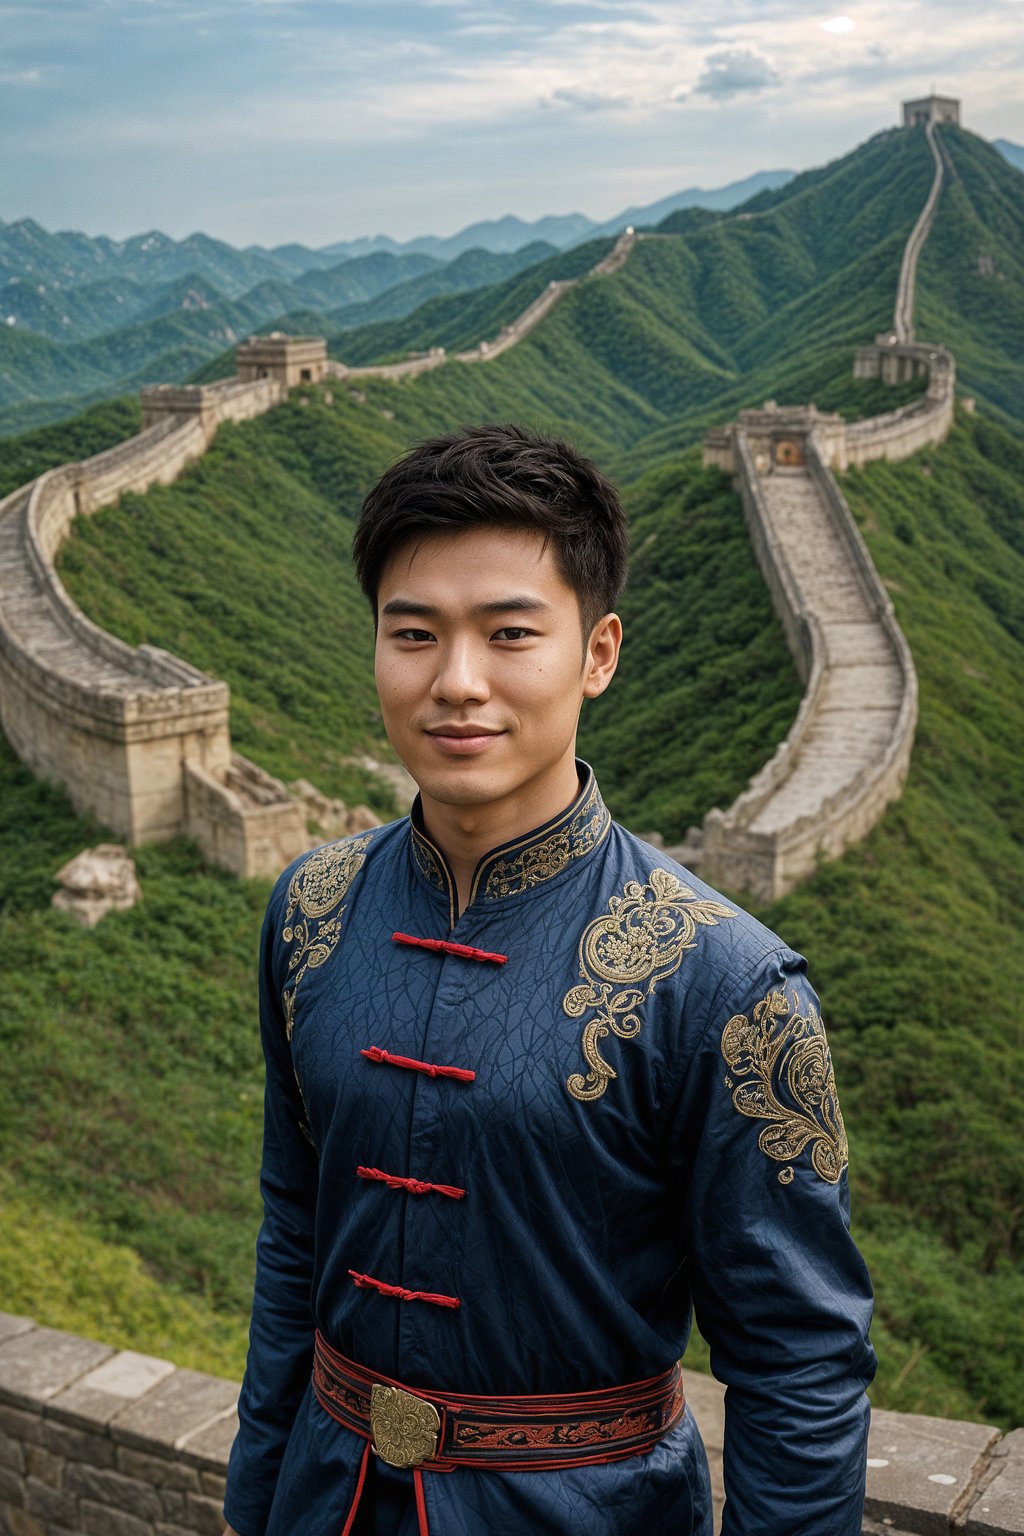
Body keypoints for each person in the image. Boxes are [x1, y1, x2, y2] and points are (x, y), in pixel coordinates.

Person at [221, 423, 875, 1536]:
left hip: (586, 1509)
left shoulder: (723, 982)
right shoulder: (311, 910)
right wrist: (258, 1488)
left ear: (598, 653)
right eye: (414, 634)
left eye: (509, 634)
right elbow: (294, 1227)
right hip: (323, 1500)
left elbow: (798, 1359)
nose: (456, 683)